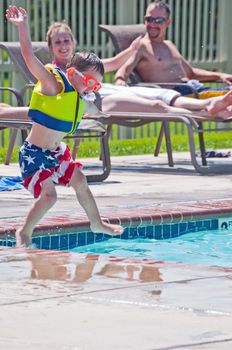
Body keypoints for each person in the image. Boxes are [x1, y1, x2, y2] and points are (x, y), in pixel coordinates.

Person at [6, 5, 123, 247]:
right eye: (90, 82)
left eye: (96, 85)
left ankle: (96, 222)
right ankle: (24, 232)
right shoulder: (54, 84)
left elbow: (95, 105)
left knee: (80, 179)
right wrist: (23, 27)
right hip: (34, 154)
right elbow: (29, 57)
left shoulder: (82, 92)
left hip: (55, 151)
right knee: (49, 197)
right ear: (74, 74)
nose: (92, 87)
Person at [114, 0, 232, 99]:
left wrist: (220, 75)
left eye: (159, 20)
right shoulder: (143, 47)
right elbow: (123, 70)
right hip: (178, 94)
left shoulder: (169, 45)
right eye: (149, 19)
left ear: (167, 22)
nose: (153, 24)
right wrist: (120, 81)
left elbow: (191, 73)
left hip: (193, 88)